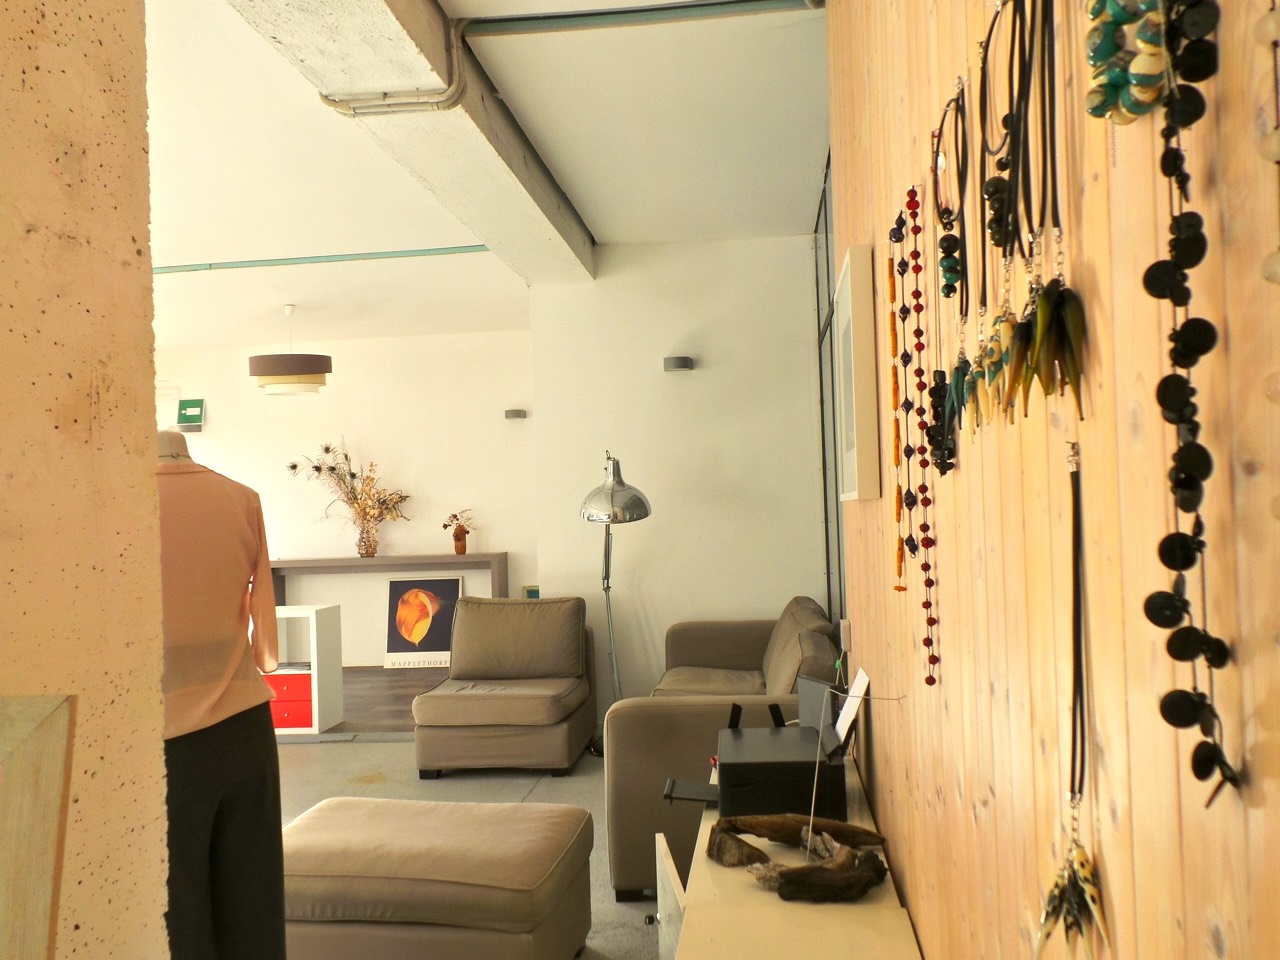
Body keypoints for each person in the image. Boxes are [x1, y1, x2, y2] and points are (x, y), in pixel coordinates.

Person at [155, 429, 285, 959]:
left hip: (159, 732)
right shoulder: (240, 498)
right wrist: (262, 659)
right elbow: (264, 623)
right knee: (255, 902)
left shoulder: (112, 507)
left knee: (177, 910)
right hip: (244, 723)